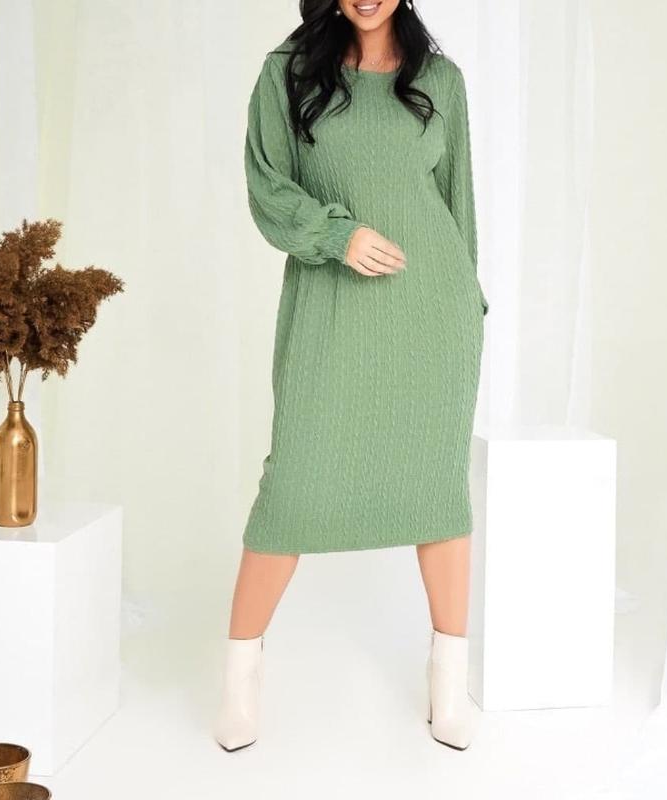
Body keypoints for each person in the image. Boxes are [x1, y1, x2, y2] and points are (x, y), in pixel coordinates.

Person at [214, 0, 489, 752]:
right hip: (331, 308)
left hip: (432, 316)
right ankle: (239, 682)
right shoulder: (288, 73)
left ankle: (448, 689)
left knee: (438, 492)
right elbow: (268, 186)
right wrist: (338, 235)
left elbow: (458, 204)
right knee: (293, 488)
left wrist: (469, 305)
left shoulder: (442, 80)